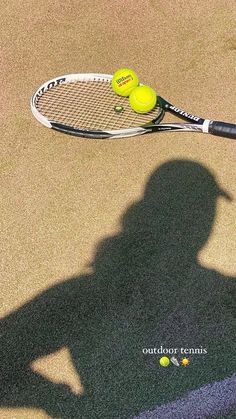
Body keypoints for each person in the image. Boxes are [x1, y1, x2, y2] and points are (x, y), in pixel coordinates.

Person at [1, 160, 235, 418]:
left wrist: (65, 404)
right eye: (195, 211)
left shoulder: (226, 293)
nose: (201, 221)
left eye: (203, 211)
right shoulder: (89, 297)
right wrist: (66, 405)